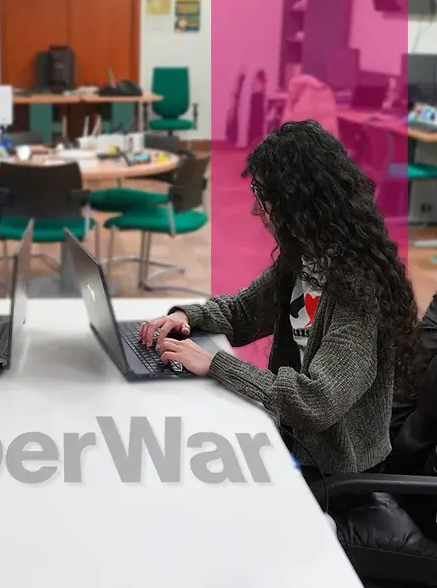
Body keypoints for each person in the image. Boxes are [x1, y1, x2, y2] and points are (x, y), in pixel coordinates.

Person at [138, 120, 422, 483]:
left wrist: (215, 364)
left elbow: (316, 402)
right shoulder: (305, 256)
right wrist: (184, 316)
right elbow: (242, 313)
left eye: (263, 198)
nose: (255, 211)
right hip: (291, 440)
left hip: (336, 474)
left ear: (298, 204)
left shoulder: (358, 288)